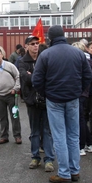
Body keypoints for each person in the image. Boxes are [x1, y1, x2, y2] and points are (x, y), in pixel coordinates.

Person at [32, 25, 92, 183]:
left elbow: (36, 80)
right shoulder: (78, 53)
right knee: (73, 135)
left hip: (54, 100)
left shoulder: (45, 55)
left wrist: (46, 93)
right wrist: (78, 91)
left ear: (50, 38)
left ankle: (64, 173)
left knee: (59, 136)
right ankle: (74, 170)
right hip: (73, 98)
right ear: (63, 35)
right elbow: (88, 75)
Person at [18, 35, 54, 172]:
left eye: (37, 43)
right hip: (31, 100)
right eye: (32, 43)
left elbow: (48, 77)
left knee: (47, 130)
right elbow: (24, 78)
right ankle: (35, 157)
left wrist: (32, 75)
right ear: (26, 46)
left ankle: (49, 159)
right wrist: (36, 77)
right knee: (34, 131)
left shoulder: (44, 58)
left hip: (45, 98)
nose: (35, 46)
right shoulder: (22, 61)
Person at [0, 46, 22, 144]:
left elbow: (18, 76)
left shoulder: (10, 66)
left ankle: (17, 136)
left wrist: (16, 88)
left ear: (2, 55)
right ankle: (4, 136)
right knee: (2, 117)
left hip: (11, 95)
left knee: (15, 116)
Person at [71, 42, 92, 157]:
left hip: (80, 93)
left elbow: (88, 77)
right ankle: (89, 144)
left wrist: (80, 90)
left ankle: (81, 146)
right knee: (82, 119)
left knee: (79, 120)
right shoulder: (87, 60)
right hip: (84, 93)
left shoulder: (81, 62)